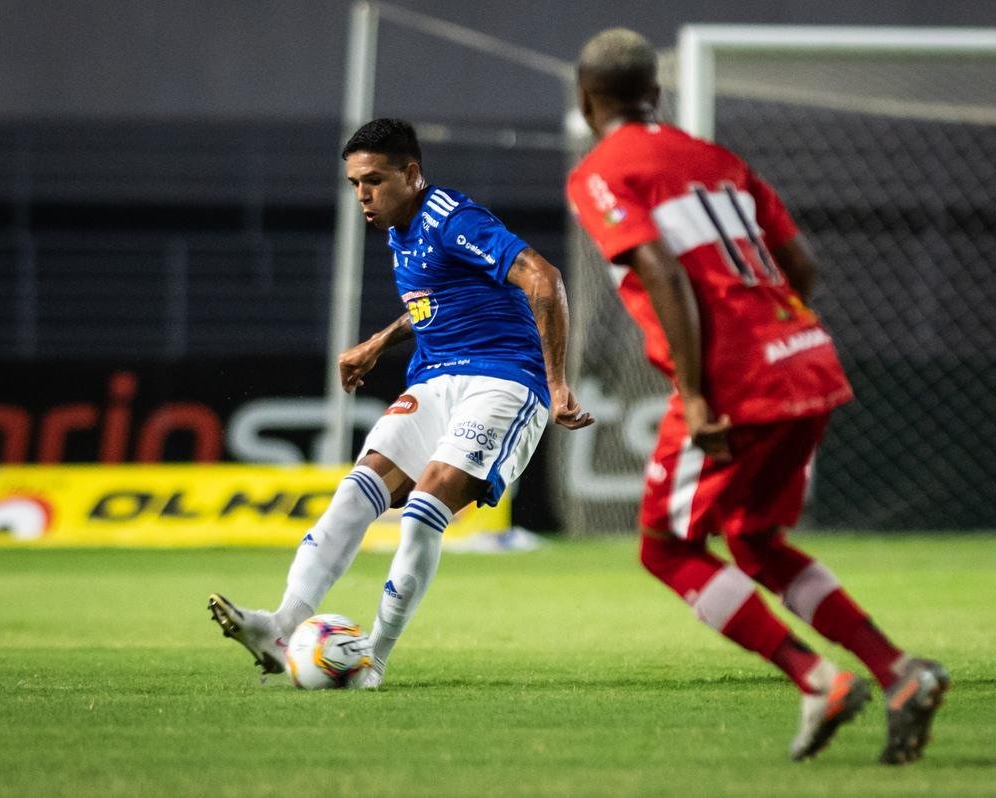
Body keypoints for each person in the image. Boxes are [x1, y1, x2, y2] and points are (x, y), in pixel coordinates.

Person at [567, 29, 948, 764]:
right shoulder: (718, 161)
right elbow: (801, 262)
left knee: (667, 549)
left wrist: (699, 393)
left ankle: (816, 679)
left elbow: (659, 267)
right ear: (657, 93)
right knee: (752, 539)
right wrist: (777, 336)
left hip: (734, 379)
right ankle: (898, 674)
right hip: (805, 358)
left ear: (587, 100)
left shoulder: (602, 172)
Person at [210, 118, 593, 688]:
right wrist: (378, 343)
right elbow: (437, 301)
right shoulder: (400, 228)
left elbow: (544, 278)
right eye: (355, 184)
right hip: (435, 381)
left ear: (411, 174)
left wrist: (557, 382)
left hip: (503, 382)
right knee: (354, 493)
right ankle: (280, 626)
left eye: (375, 181)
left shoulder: (452, 218)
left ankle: (373, 658)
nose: (363, 195)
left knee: (423, 509)